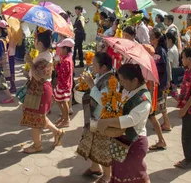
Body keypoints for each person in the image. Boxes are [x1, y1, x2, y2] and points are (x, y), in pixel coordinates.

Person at [96, 64, 151, 183]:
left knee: (135, 175)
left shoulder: (144, 98)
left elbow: (131, 119)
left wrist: (107, 122)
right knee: (119, 172)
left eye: (123, 81)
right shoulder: (129, 90)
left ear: (135, 80)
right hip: (121, 138)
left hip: (135, 141)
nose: (122, 84)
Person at [20, 30, 64, 154]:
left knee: (35, 119)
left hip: (40, 90)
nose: (33, 42)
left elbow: (39, 76)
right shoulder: (44, 55)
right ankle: (57, 132)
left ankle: (37, 145)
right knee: (40, 117)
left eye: (35, 40)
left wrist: (29, 62)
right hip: (39, 89)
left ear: (39, 43)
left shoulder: (44, 56)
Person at [77, 52, 114, 182]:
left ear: (103, 67)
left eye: (94, 64)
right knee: (92, 143)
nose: (92, 66)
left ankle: (107, 175)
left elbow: (103, 101)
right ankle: (94, 167)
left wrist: (91, 84)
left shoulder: (110, 80)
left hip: (102, 120)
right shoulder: (101, 76)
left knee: (103, 147)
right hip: (94, 117)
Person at [148, 28, 171, 150]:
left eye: (151, 36)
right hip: (156, 83)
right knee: (159, 105)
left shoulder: (160, 51)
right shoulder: (156, 49)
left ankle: (162, 139)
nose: (150, 37)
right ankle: (166, 123)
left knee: (153, 110)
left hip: (157, 83)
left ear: (157, 38)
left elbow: (162, 68)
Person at [53, 38, 74, 128]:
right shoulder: (67, 58)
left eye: (61, 48)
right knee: (59, 100)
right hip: (64, 84)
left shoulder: (66, 61)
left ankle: (66, 119)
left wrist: (57, 65)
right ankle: (64, 117)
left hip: (64, 85)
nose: (59, 50)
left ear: (65, 49)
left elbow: (61, 74)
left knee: (63, 101)